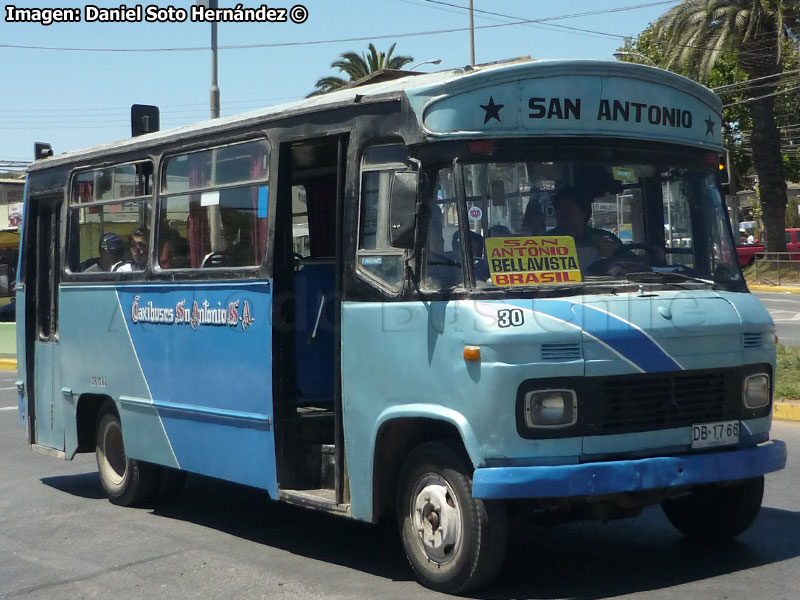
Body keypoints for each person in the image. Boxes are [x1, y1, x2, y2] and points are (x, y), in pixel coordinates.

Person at [548, 187, 634, 274]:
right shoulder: (546, 241)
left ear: (584, 212)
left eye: (568, 208)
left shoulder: (605, 238)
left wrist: (611, 254)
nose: (563, 213)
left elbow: (631, 263)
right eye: (559, 208)